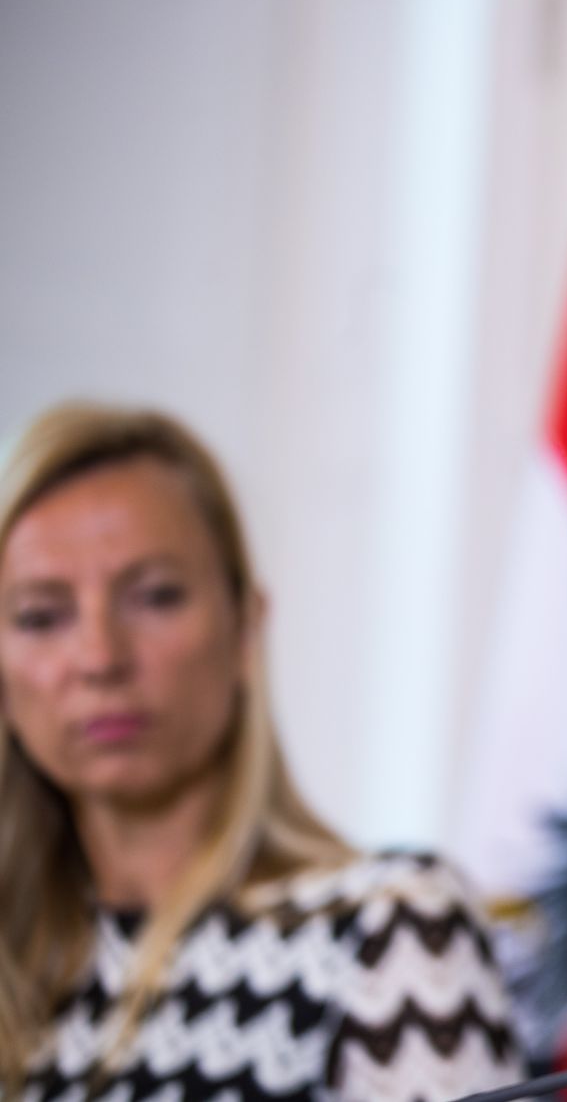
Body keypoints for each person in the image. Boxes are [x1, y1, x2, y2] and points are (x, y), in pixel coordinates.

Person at [0, 404, 524, 1100]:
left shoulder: (389, 928)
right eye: (42, 615)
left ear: (245, 627)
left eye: (155, 597)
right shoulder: (22, 959)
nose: (99, 657)